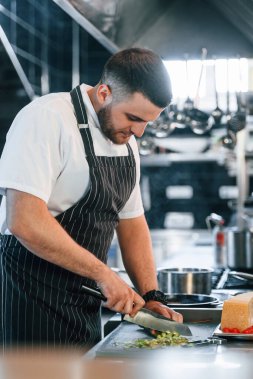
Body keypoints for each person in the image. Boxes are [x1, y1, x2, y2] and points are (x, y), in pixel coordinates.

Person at [0, 47, 182, 349]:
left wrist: (151, 296)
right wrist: (103, 273)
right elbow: (25, 221)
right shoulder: (47, 118)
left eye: (147, 122)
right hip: (28, 298)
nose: (139, 132)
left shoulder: (126, 140)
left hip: (84, 303)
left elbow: (132, 224)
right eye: (134, 117)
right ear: (104, 92)